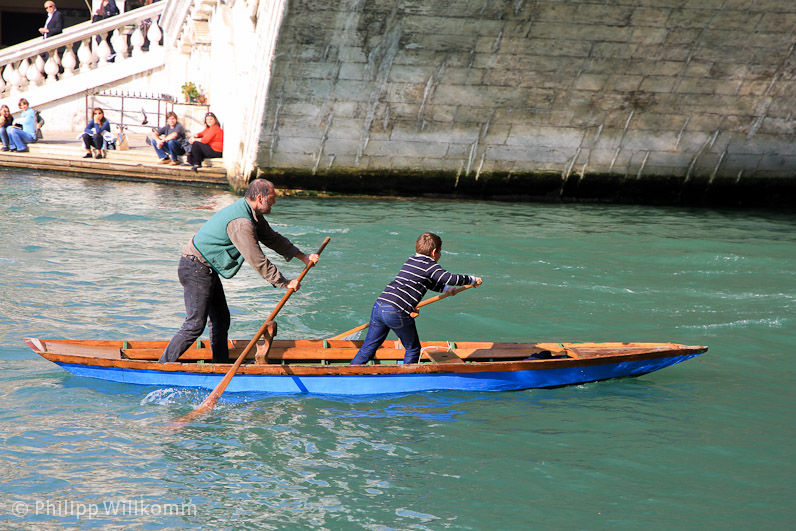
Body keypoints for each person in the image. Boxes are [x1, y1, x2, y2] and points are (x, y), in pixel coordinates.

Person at [159, 179, 319, 364]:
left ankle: (219, 364)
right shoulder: (242, 223)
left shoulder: (252, 214)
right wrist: (283, 282)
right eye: (273, 198)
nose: (275, 202)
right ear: (260, 198)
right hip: (195, 267)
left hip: (206, 268)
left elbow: (273, 239)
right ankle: (162, 365)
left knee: (221, 319)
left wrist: (303, 257)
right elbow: (256, 258)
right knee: (195, 324)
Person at [350, 232, 483, 366]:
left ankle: (350, 372)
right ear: (434, 252)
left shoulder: (411, 260)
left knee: (368, 347)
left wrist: (446, 289)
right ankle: (406, 377)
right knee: (413, 349)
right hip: (395, 311)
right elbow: (450, 278)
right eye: (440, 252)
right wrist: (472, 280)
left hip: (379, 305)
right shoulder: (430, 265)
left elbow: (427, 282)